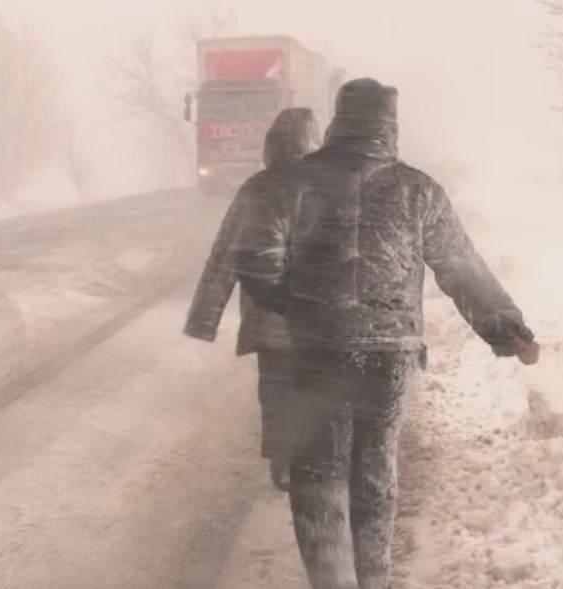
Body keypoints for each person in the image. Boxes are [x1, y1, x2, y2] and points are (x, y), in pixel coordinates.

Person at [236, 77, 540, 589]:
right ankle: (372, 579)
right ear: (390, 125)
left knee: (318, 475)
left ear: (338, 120)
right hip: (388, 354)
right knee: (375, 474)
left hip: (315, 350)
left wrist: (294, 307)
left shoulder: (294, 183)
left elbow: (256, 258)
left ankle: (332, 581)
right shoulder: (416, 189)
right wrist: (508, 330)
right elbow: (460, 267)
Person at [183, 107, 321, 491]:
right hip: (320, 318)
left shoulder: (256, 188)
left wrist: (204, 317)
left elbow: (225, 252)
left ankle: (282, 459)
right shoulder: (330, 188)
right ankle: (311, 457)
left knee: (276, 387)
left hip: (268, 317)